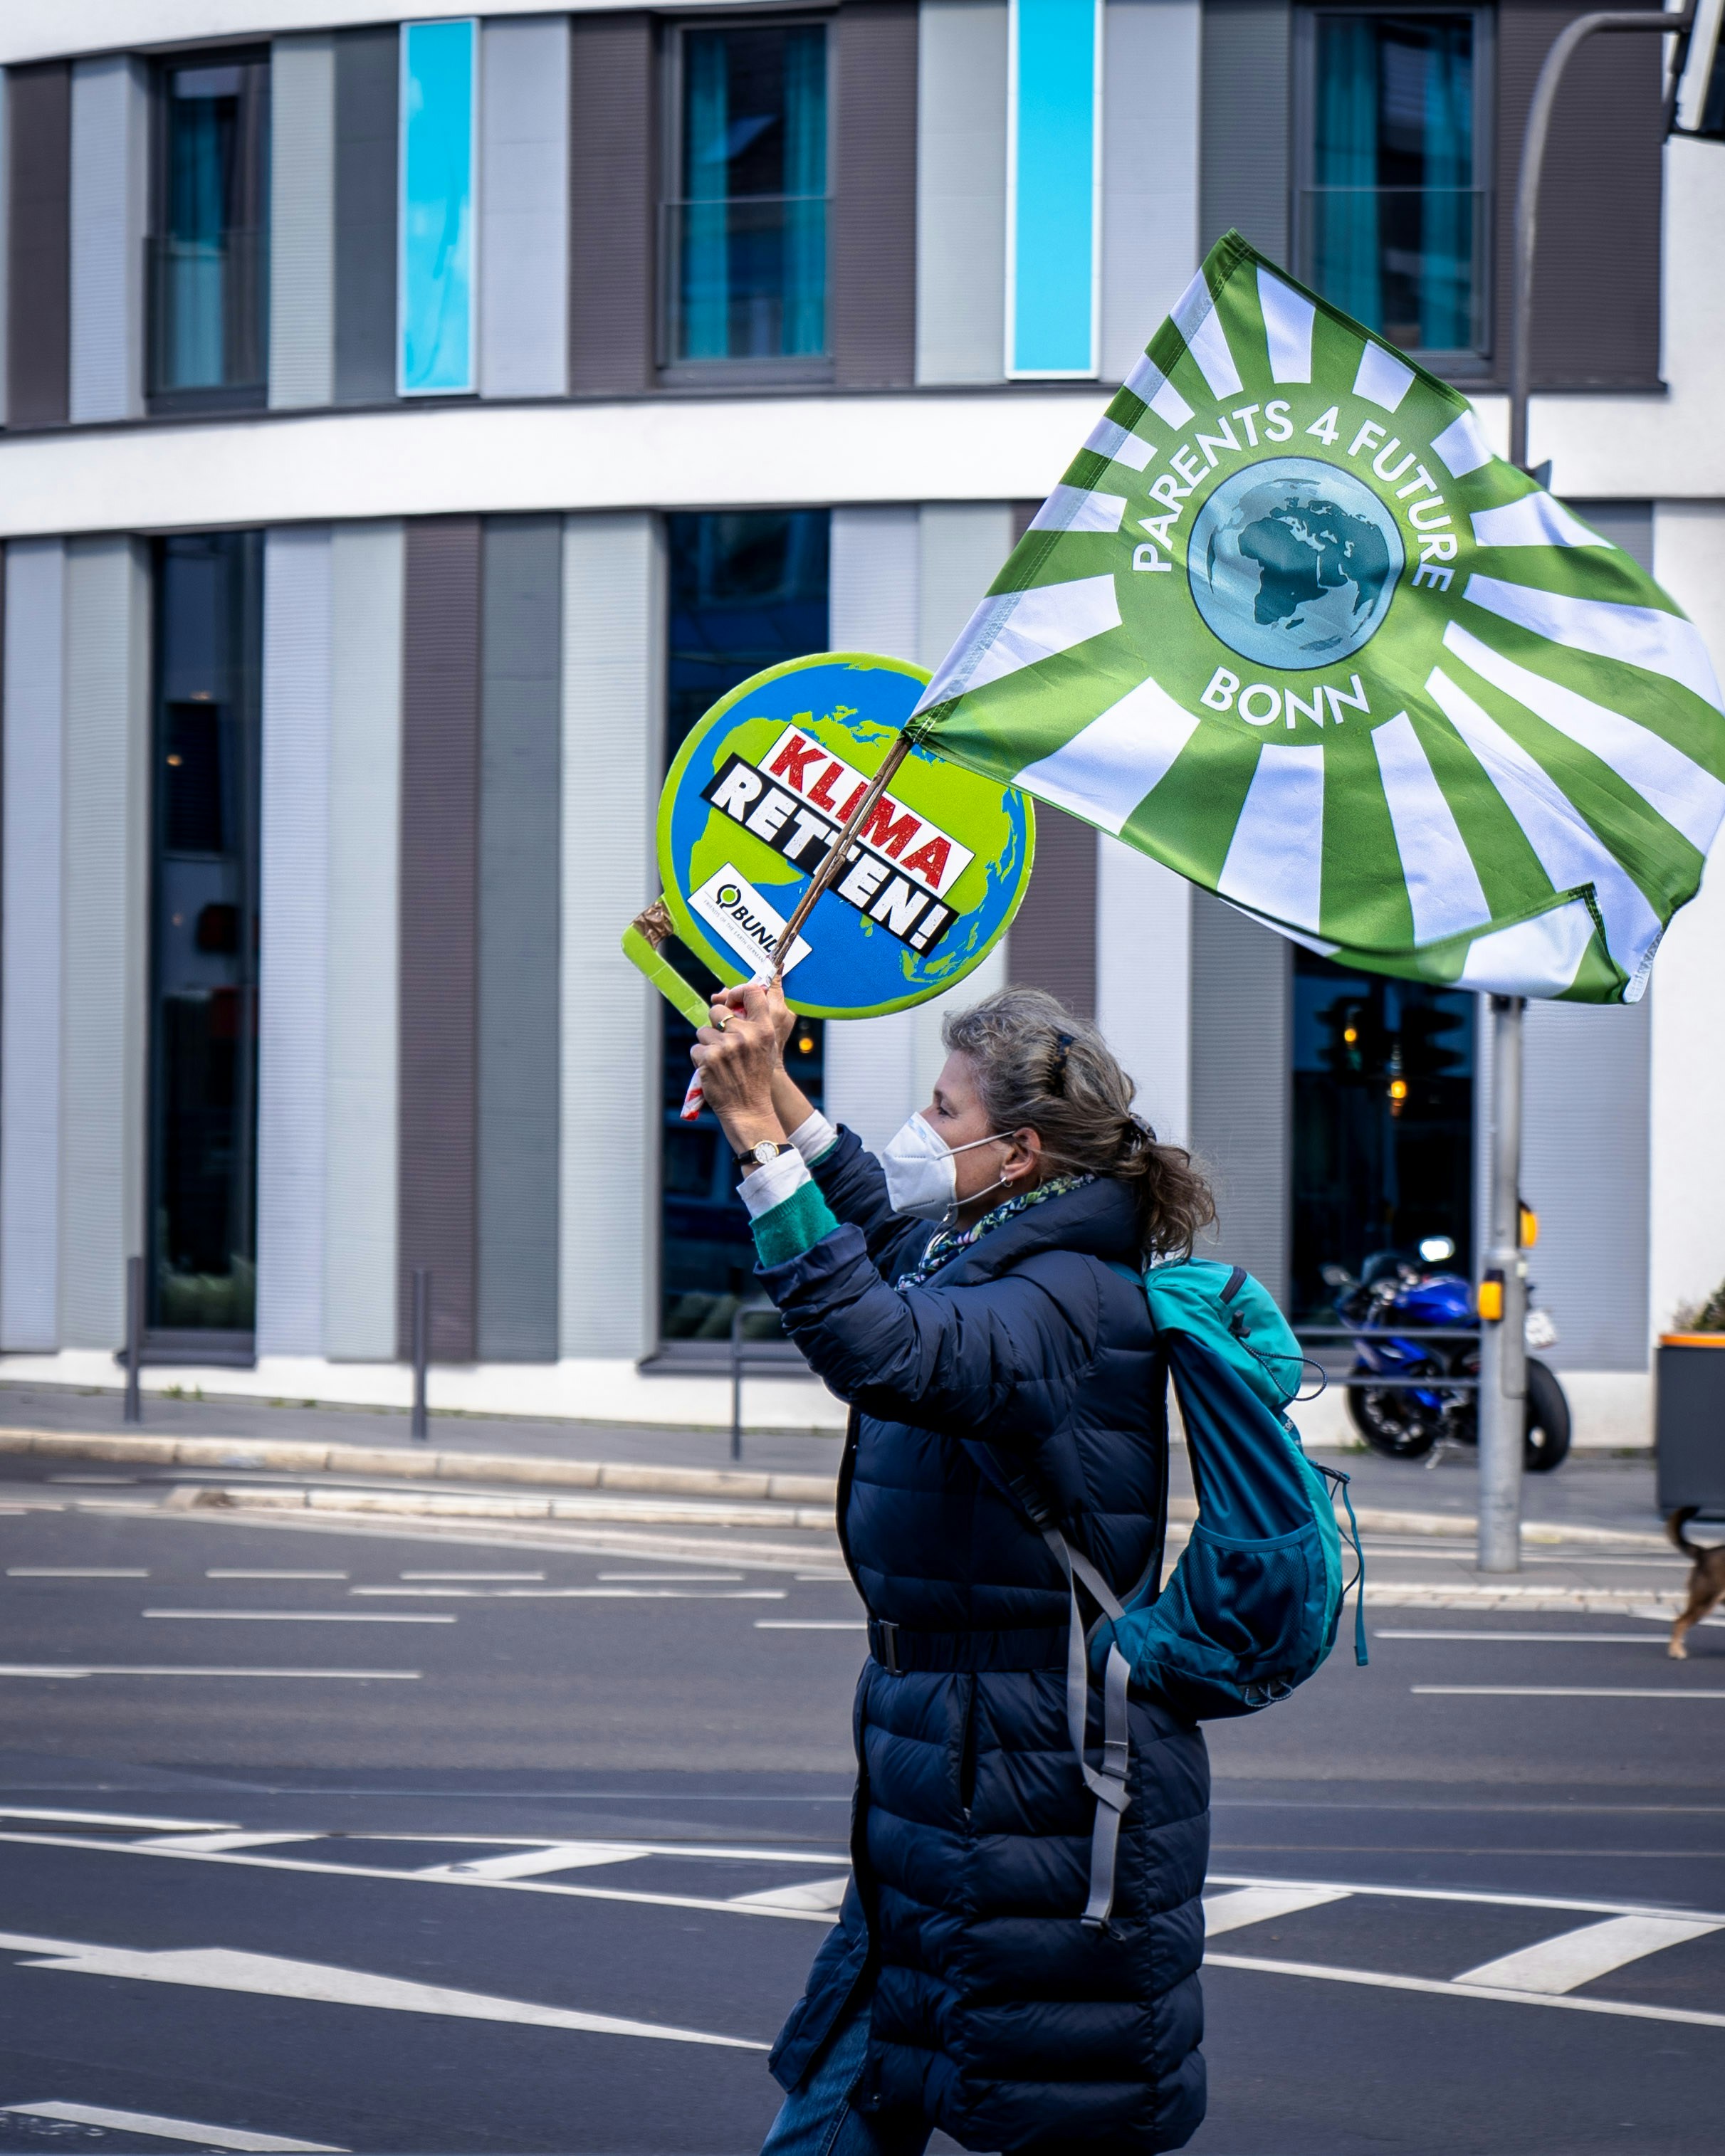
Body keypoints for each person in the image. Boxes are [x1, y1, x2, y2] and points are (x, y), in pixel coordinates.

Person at [692, 979, 1217, 2156]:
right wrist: (769, 1074)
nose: (920, 1129)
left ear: (1017, 1150)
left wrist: (758, 1144)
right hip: (954, 1763)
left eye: (942, 1108)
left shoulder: (1065, 1294)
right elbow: (881, 1220)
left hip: (1028, 1781)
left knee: (1045, 2091)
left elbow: (881, 1346)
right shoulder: (993, 1235)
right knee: (870, 2059)